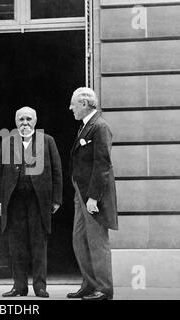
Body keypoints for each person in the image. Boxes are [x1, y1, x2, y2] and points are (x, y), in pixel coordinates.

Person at [0, 106, 62, 298]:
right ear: (16, 122)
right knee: (16, 246)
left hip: (38, 201)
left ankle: (40, 287)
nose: (25, 123)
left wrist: (56, 199)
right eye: (21, 119)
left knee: (39, 245)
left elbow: (57, 171)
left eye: (29, 119)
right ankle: (19, 287)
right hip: (13, 202)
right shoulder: (7, 142)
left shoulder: (47, 141)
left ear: (35, 121)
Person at [67, 87, 118, 300]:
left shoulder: (99, 126)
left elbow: (102, 163)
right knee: (79, 239)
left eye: (73, 103)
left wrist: (94, 197)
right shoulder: (86, 126)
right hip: (81, 192)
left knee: (97, 242)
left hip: (92, 194)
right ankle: (89, 284)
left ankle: (104, 289)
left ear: (85, 103)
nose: (70, 108)